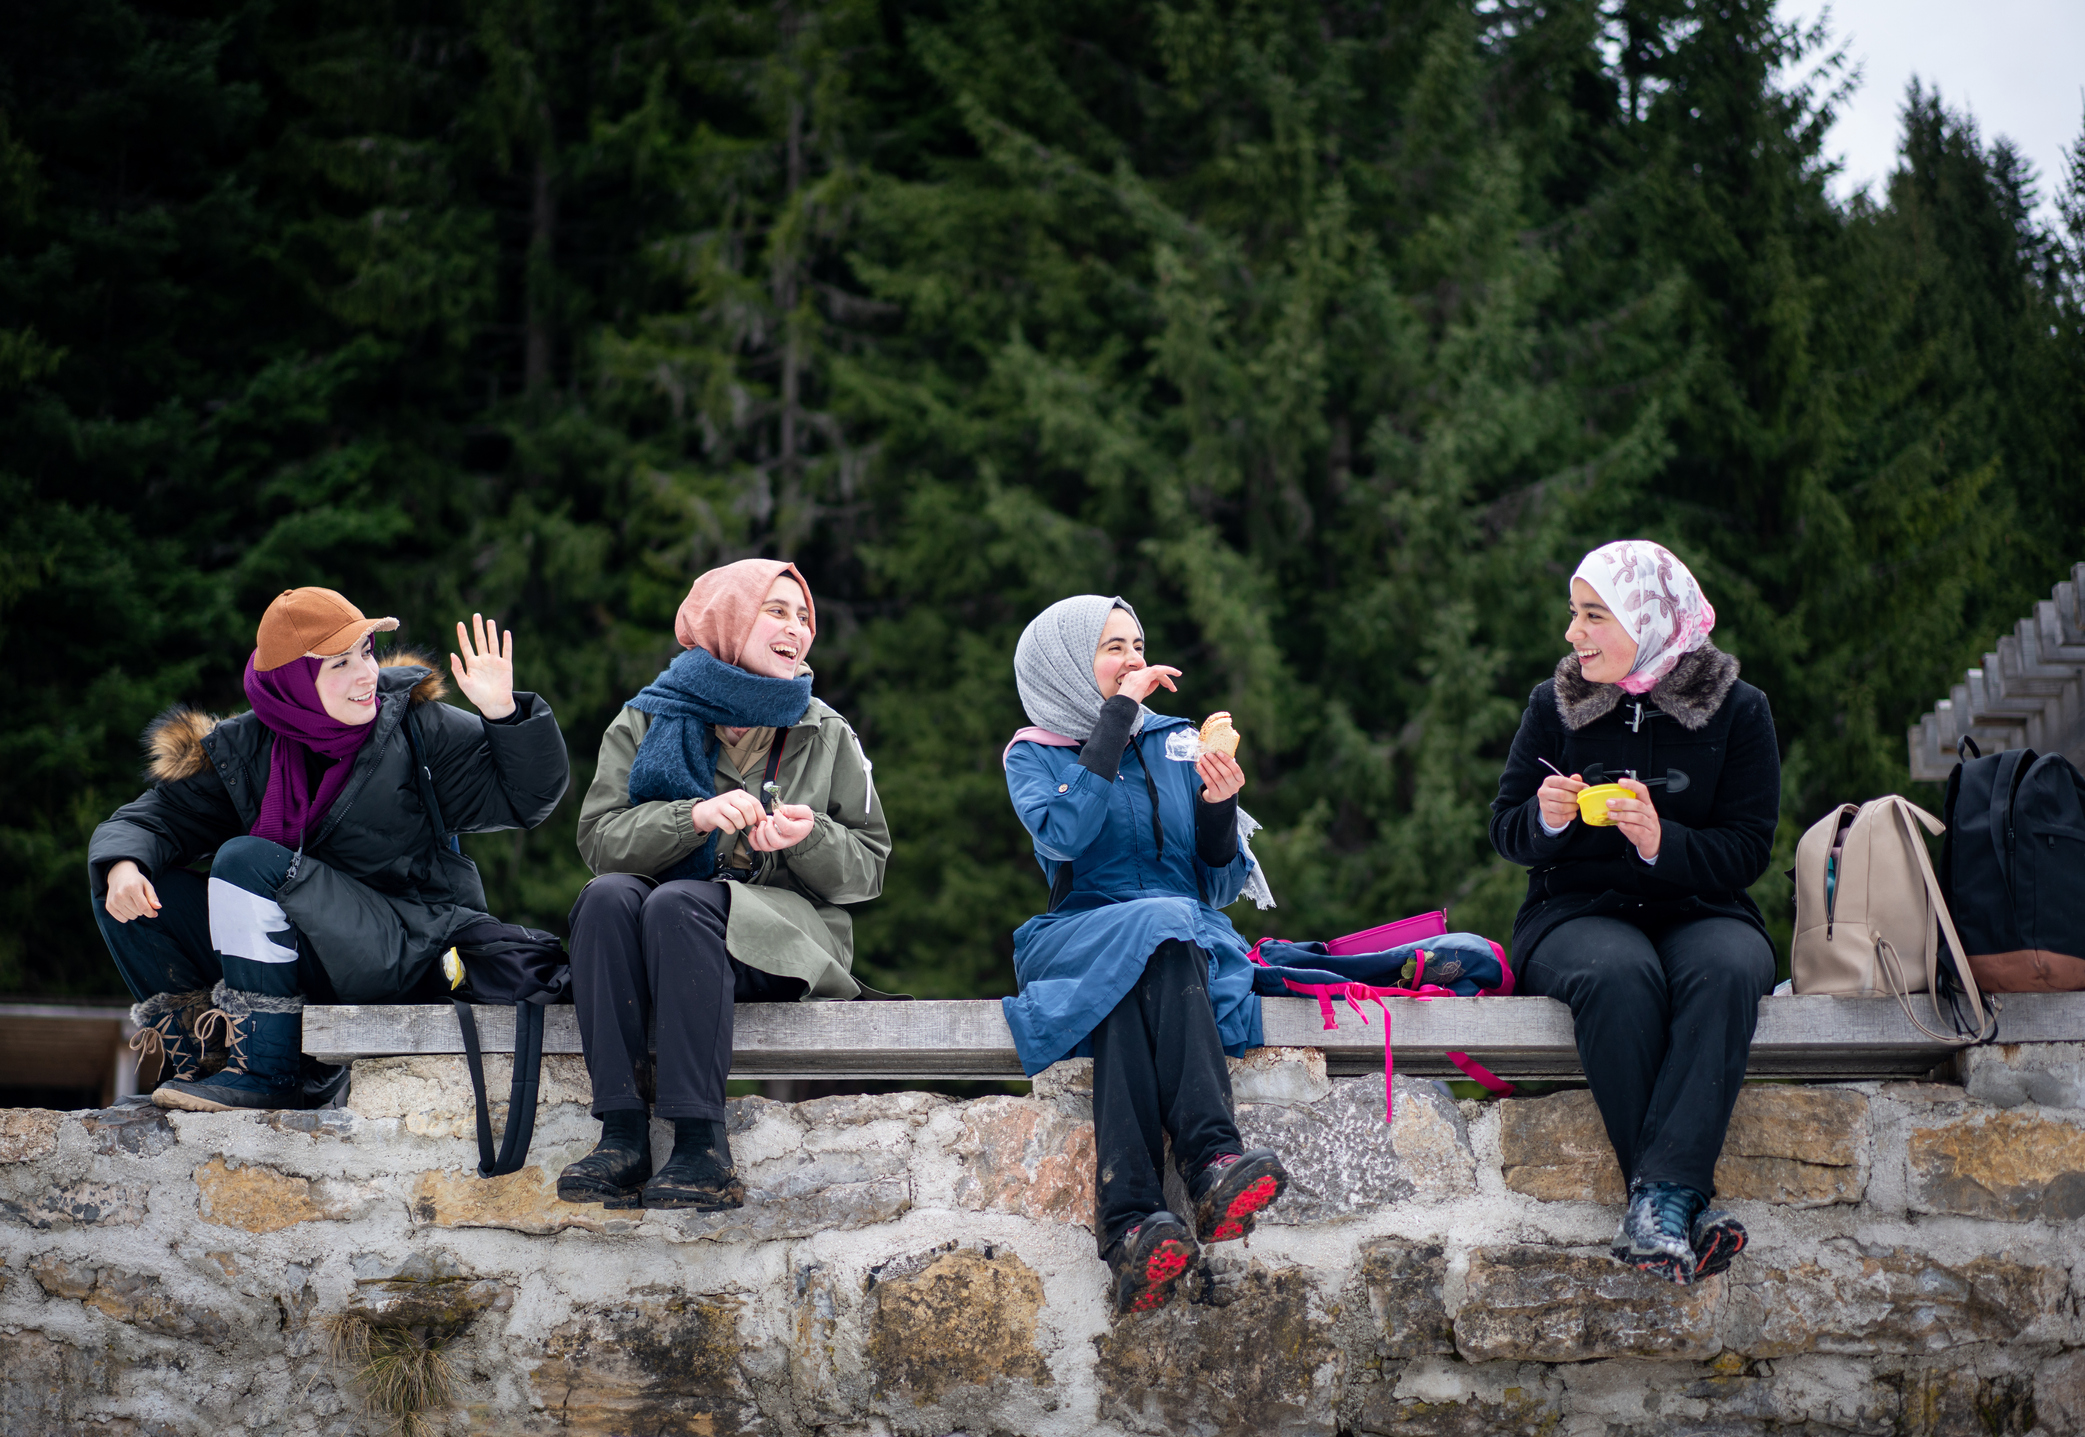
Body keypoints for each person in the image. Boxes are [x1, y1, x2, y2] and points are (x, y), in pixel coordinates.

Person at [91, 587, 570, 1111]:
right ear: (291, 682)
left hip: (409, 943)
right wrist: (124, 865)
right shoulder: (245, 749)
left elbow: (527, 799)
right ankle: (210, 1057)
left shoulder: (412, 726)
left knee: (246, 861)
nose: (367, 674)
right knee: (128, 891)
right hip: (310, 947)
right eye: (340, 663)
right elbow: (153, 820)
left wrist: (504, 715)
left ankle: (271, 1073)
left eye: (365, 651)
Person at [558, 559, 889, 1212]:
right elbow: (599, 842)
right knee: (605, 898)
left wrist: (809, 835)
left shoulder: (825, 731)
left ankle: (700, 1145)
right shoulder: (643, 720)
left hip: (778, 939)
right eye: (776, 610)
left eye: (804, 617)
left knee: (680, 903)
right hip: (661, 935)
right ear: (726, 621)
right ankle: (621, 1134)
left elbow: (869, 867)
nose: (795, 628)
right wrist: (693, 816)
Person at [1490, 540, 1780, 1284]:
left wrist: (1662, 842)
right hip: (1576, 913)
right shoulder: (1552, 702)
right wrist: (1546, 818)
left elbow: (1746, 849)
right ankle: (1680, 1201)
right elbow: (1505, 830)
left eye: (1592, 616)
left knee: (1727, 967)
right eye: (1573, 613)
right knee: (1618, 973)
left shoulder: (1739, 709)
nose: (1572, 633)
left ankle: (1660, 1203)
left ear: (1649, 621)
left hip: (1701, 905)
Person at [1003, 595, 1289, 1316]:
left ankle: (1133, 1225)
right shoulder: (1033, 754)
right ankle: (1211, 1157)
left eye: (1136, 644)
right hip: (1079, 933)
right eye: (1112, 649)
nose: (1133, 660)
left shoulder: (1177, 742)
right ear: (1067, 664)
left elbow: (1217, 883)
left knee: (1135, 982)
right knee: (1155, 926)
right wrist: (1114, 721)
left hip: (1177, 939)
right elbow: (1064, 833)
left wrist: (1219, 808)